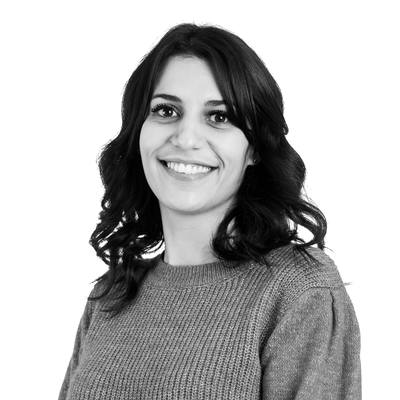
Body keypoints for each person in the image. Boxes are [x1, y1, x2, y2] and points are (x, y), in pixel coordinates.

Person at [58, 23, 362, 400]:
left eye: (219, 117)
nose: (186, 138)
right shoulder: (111, 295)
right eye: (166, 110)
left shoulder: (298, 291)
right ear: (139, 133)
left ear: (255, 148)